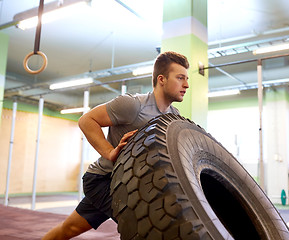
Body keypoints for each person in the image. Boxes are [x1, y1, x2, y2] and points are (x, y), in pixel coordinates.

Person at [42, 51, 189, 239]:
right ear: (161, 79)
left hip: (132, 184)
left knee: (69, 229)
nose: (186, 85)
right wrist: (110, 152)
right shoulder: (133, 105)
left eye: (186, 79)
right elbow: (87, 120)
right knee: (147, 227)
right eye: (180, 78)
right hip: (104, 180)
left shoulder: (173, 117)